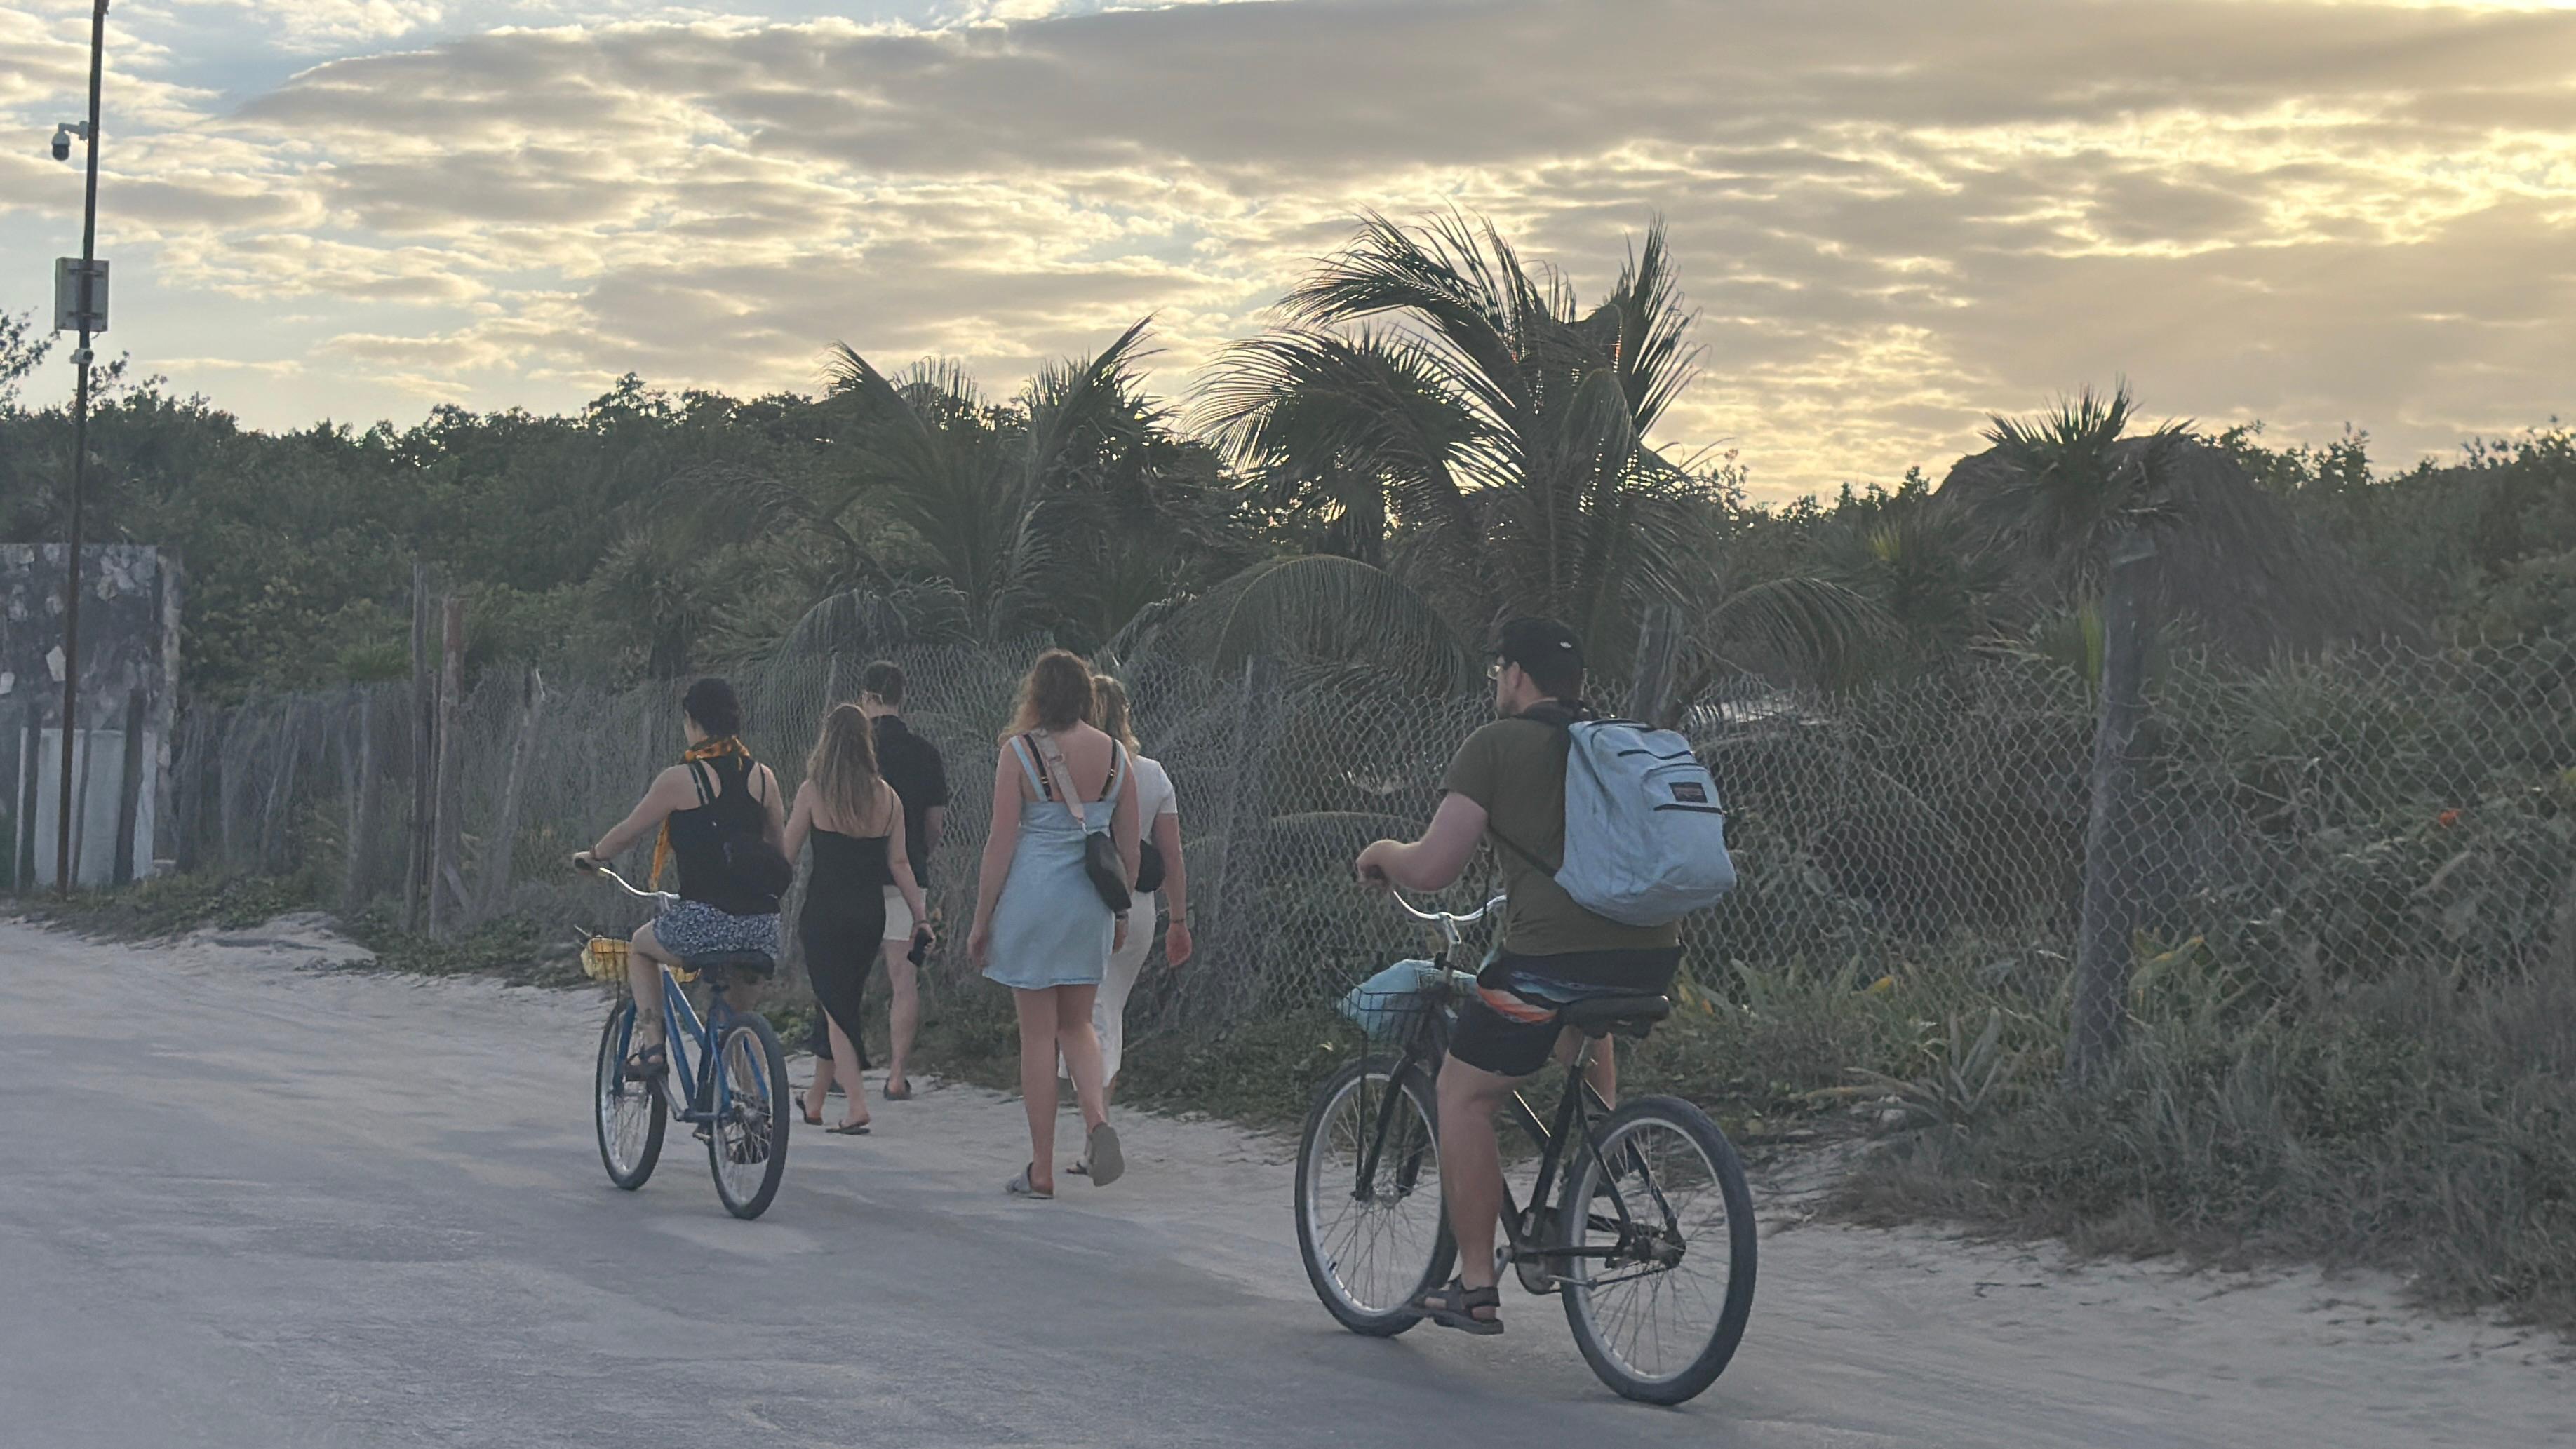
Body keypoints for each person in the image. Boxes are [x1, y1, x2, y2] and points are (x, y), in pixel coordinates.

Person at [1354, 619, 1678, 1336]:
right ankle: (1597, 1162)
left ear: (1517, 676)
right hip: (1652, 954)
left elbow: (1436, 865)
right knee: (1576, 1024)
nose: (1499, 682)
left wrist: (1381, 850)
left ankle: (1474, 1286)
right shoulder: (1620, 745)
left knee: (1462, 1094)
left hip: (1550, 964)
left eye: (1500, 670)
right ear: (1579, 683)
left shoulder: (1496, 745)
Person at [967, 649, 1139, 1199]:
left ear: (1036, 695)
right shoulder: (1116, 755)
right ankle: (1096, 1119)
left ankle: (1041, 1169)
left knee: (1037, 1036)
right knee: (1078, 1025)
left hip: (1033, 900)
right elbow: (1128, 846)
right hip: (1089, 903)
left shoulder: (1019, 753)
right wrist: (1122, 910)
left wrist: (981, 919)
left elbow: (1000, 842)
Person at [574, 678, 787, 1079]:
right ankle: (752, 1115)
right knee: (736, 1022)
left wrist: (594, 856)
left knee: (639, 947)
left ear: (692, 722)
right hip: (761, 925)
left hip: (705, 921)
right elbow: (778, 851)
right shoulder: (764, 778)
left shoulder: (681, 779)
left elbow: (630, 830)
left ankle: (653, 1049)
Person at [1064, 675, 1193, 1173]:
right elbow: (1172, 855)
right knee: (1105, 1009)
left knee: (1088, 1014)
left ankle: (1097, 1132)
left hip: (1083, 900)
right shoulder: (1153, 774)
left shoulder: (1073, 767)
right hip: (1138, 906)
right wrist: (1178, 917)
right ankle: (1097, 1126)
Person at [784, 703, 932, 1135]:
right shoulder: (887, 797)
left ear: (826, 744)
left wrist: (760, 888)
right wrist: (920, 916)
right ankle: (814, 1100)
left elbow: (787, 854)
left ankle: (856, 1104)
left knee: (836, 1007)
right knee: (839, 1000)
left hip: (825, 913)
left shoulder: (813, 792)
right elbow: (901, 864)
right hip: (870, 914)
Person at [856, 661, 947, 1100]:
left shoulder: (852, 752)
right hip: (908, 876)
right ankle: (896, 1074)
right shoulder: (925, 753)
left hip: (853, 872)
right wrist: (919, 856)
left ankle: (837, 1069)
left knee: (844, 973)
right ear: (901, 696)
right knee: (903, 978)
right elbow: (935, 823)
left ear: (866, 697)